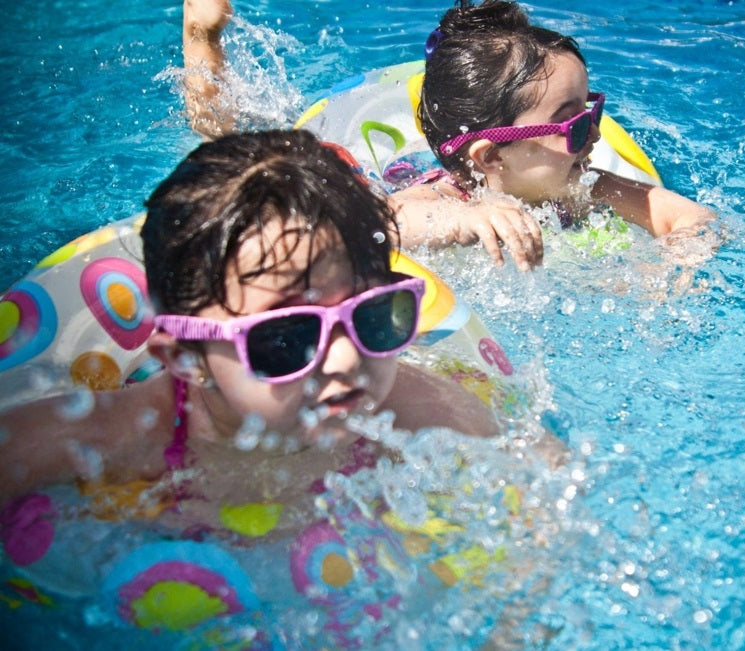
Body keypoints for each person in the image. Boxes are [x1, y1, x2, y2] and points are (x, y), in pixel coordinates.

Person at [0, 129, 500, 516]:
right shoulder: (113, 439)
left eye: (372, 316)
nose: (347, 358)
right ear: (186, 357)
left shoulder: (418, 414)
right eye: (287, 337)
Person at [180, 0, 716, 272]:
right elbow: (371, 229)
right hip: (387, 178)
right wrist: (464, 219)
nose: (594, 135)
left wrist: (678, 265)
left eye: (592, 112)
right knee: (229, 155)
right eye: (574, 125)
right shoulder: (443, 198)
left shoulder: (586, 186)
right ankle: (203, 38)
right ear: (491, 157)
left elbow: (688, 217)